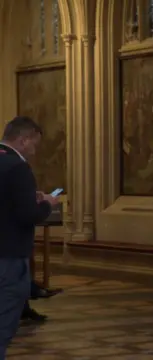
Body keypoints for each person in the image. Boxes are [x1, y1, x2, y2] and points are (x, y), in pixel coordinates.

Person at [0, 116, 57, 358]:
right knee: (4, 321)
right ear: (23, 140)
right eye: (34, 144)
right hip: (9, 255)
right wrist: (47, 204)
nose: (34, 151)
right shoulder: (18, 167)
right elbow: (27, 215)